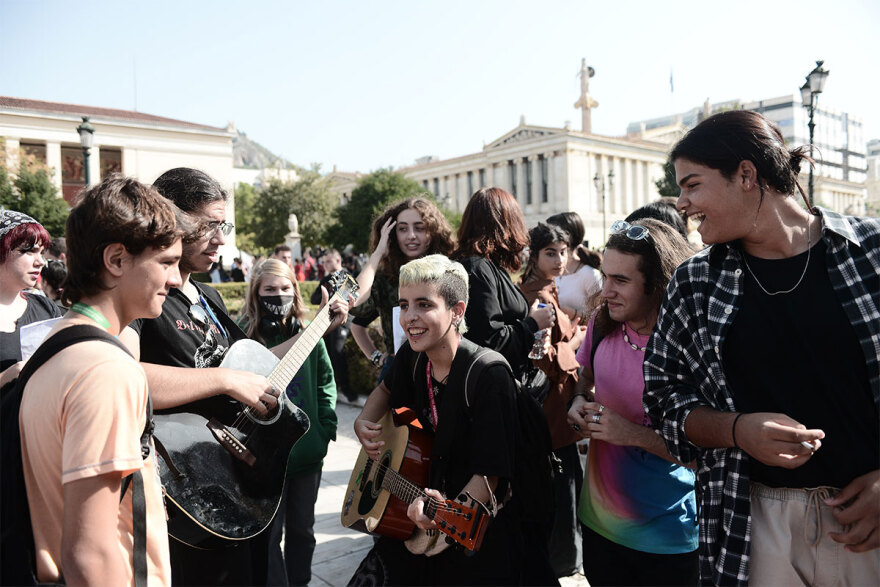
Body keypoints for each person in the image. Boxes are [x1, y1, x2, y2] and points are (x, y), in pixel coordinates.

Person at [643, 110, 880, 585]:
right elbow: (662, 401)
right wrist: (736, 430)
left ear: (746, 175)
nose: (682, 203)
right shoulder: (695, 281)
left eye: (692, 185)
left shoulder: (870, 252)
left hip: (868, 524)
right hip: (751, 524)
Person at [120, 167, 349, 586]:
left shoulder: (207, 297)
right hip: (184, 492)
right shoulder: (145, 294)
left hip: (236, 480)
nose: (221, 239)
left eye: (222, 226)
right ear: (172, 219)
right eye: (210, 225)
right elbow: (122, 376)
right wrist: (222, 382)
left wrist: (318, 328)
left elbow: (254, 366)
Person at [20, 175, 180, 585]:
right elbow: (90, 554)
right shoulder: (105, 370)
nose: (176, 280)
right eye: (165, 263)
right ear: (117, 260)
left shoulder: (55, 343)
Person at [350, 254, 522, 585]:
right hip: (421, 504)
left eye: (424, 305)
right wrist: (363, 422)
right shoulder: (413, 356)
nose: (409, 317)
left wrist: (441, 518)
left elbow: (491, 474)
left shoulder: (488, 374)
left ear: (457, 311)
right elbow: (385, 389)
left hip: (476, 528)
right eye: (404, 305)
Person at [568, 218, 698, 586]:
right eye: (605, 276)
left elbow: (706, 455)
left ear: (656, 284)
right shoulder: (602, 322)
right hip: (599, 524)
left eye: (621, 281)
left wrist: (632, 434)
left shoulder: (686, 346)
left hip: (666, 535)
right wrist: (578, 401)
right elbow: (586, 377)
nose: (605, 290)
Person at [453, 187, 556, 583]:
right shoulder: (477, 269)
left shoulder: (484, 267)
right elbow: (488, 343)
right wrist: (531, 323)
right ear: (506, 223)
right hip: (499, 413)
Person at [237, 259, 338, 586]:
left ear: (295, 292)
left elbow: (325, 381)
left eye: (284, 288)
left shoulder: (310, 334)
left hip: (306, 457)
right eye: (269, 289)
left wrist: (325, 429)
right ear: (256, 292)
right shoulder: (243, 337)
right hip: (264, 460)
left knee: (302, 531)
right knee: (268, 536)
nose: (278, 295)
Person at [518, 222, 587, 578]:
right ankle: (561, 563)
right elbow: (539, 357)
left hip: (559, 404)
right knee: (561, 488)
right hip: (548, 406)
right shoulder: (534, 294)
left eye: (563, 251)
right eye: (551, 252)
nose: (560, 259)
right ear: (533, 254)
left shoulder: (549, 288)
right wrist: (576, 342)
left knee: (568, 487)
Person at [349, 196, 454, 383]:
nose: (411, 235)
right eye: (402, 229)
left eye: (419, 228)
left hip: (444, 372)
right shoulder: (385, 278)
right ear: (392, 235)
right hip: (399, 374)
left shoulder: (450, 271)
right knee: (398, 413)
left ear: (432, 232)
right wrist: (378, 253)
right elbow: (354, 305)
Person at [0, 210, 61, 394]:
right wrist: (6, 377)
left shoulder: (45, 307)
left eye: (42, 253)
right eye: (30, 251)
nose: (41, 261)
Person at [311, 248, 357, 403]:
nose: (326, 265)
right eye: (324, 262)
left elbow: (347, 297)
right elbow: (314, 298)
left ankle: (347, 390)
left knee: (338, 352)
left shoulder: (348, 277)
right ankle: (334, 388)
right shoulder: (325, 280)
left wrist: (331, 298)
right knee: (329, 354)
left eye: (329, 261)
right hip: (327, 321)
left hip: (344, 320)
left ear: (338, 261)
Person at [546, 211, 601, 324]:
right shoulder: (550, 271)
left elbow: (602, 318)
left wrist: (575, 314)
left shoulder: (590, 274)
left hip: (582, 339)